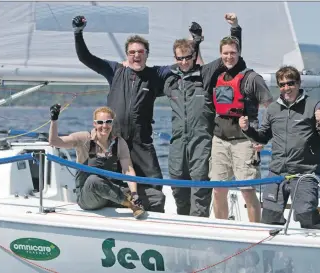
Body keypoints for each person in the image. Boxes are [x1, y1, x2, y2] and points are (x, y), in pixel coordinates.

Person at [72, 15, 170, 212]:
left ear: (147, 54)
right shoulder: (115, 70)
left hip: (142, 143)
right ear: (126, 55)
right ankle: (120, 213)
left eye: (140, 52)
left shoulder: (155, 75)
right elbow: (85, 58)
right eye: (132, 52)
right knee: (109, 182)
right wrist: (78, 33)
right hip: (114, 142)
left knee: (155, 187)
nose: (136, 55)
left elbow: (182, 67)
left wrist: (194, 44)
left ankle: (147, 217)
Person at [239, 65, 320, 229]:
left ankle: (315, 246)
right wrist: (247, 129)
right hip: (277, 172)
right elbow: (263, 137)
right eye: (282, 84)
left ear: (298, 84)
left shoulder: (314, 106)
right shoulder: (272, 109)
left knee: (306, 216)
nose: (287, 88)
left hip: (304, 173)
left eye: (290, 83)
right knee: (269, 218)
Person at [164, 14, 242, 217]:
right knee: (177, 185)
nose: (184, 62)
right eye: (179, 58)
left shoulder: (206, 74)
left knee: (200, 188)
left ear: (194, 55)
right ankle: (183, 226)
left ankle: (198, 227)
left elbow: (229, 57)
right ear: (175, 59)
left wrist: (234, 29)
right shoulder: (170, 80)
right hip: (178, 143)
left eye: (188, 57)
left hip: (201, 141)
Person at [209, 34, 274, 223]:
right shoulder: (218, 76)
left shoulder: (253, 78)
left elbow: (271, 107)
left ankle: (253, 231)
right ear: (220, 54)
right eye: (225, 53)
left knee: (247, 190)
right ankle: (221, 229)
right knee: (218, 190)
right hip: (219, 140)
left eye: (233, 53)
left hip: (244, 142)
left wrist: (261, 138)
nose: (229, 57)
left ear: (239, 53)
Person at [48, 104, 146, 219]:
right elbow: (54, 141)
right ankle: (130, 204)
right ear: (94, 124)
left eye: (108, 122)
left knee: (154, 196)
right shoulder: (84, 138)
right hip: (88, 197)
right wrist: (54, 120)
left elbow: (128, 170)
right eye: (100, 122)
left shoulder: (119, 142)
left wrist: (134, 193)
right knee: (94, 180)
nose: (104, 126)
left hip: (110, 193)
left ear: (112, 123)